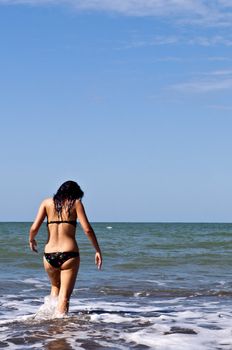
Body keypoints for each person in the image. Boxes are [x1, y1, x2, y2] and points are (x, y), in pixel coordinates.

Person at [29, 180, 102, 316]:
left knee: (55, 287)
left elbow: (34, 228)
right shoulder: (76, 203)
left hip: (49, 255)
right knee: (64, 297)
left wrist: (31, 239)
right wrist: (97, 250)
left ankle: (48, 320)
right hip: (69, 254)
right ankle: (60, 327)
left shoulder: (46, 203)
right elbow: (88, 230)